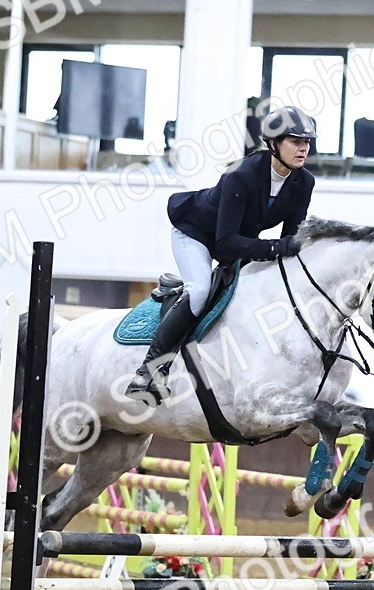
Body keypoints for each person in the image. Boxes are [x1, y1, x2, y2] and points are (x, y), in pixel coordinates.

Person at [125, 105, 318, 406]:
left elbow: (289, 241)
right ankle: (147, 372)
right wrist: (277, 248)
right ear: (273, 144)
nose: (303, 147)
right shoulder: (241, 175)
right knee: (201, 291)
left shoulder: (304, 182)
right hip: (197, 234)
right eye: (295, 140)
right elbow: (226, 245)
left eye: (307, 142)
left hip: (241, 240)